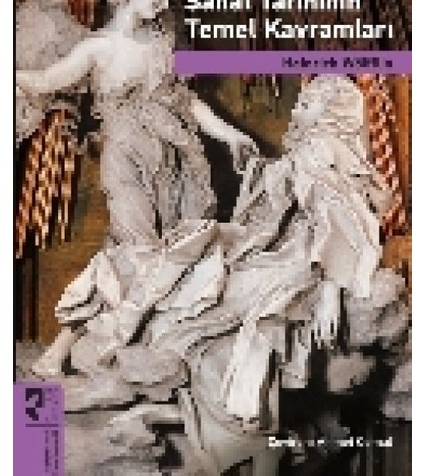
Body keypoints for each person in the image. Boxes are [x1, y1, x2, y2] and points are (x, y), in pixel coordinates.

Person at [20, 76, 410, 474]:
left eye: (307, 104)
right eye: (302, 101)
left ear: (331, 114)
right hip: (266, 245)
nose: (296, 109)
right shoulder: (313, 150)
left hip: (290, 258)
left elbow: (338, 219)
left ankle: (126, 345)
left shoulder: (319, 149)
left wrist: (328, 288)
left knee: (187, 277)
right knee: (181, 264)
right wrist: (260, 171)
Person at [16, 0, 258, 377]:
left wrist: (231, 134)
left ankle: (84, 353)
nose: (163, 2)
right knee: (133, 253)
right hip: (126, 160)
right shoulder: (97, 47)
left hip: (175, 161)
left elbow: (189, 103)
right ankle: (87, 348)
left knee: (170, 256)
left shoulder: (162, 45)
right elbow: (45, 82)